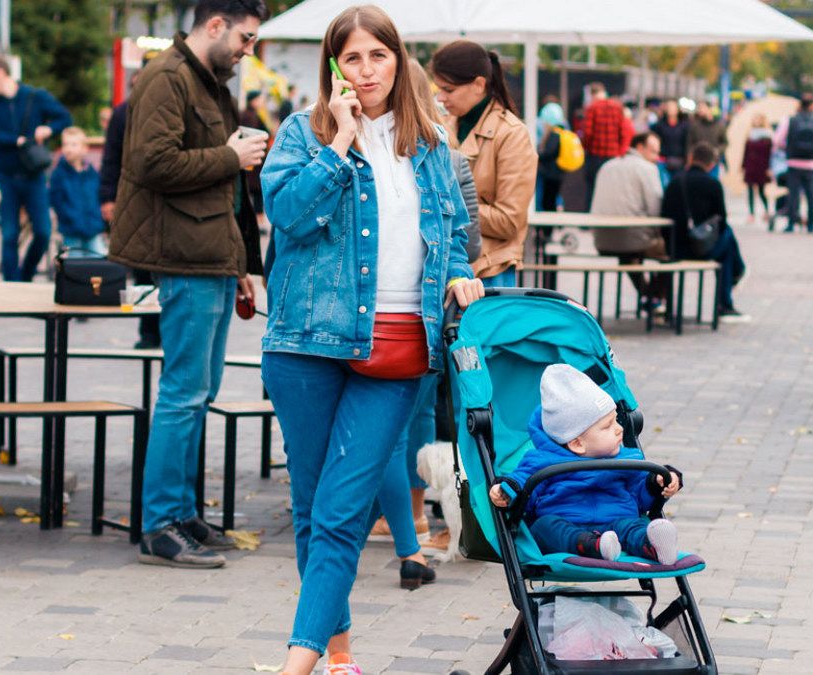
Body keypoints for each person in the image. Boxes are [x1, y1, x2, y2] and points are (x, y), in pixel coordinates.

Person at [259, 5, 483, 671]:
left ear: (398, 59)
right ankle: (338, 655)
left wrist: (463, 276)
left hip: (397, 348)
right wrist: (340, 144)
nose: (365, 71)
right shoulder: (304, 133)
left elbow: (453, 236)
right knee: (312, 506)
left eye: (377, 56)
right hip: (306, 344)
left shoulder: (433, 143)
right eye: (351, 59)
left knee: (341, 506)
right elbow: (288, 217)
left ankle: (294, 665)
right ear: (335, 66)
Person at [110, 0, 269, 568]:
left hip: (210, 255)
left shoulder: (207, 82)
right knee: (183, 395)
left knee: (196, 393)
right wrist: (228, 155)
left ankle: (179, 514)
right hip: (182, 255)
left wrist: (245, 266)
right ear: (216, 25)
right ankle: (160, 524)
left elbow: (231, 195)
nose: (249, 50)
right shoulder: (167, 78)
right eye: (247, 39)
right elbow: (152, 164)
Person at [364, 58, 483, 565]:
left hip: (407, 311)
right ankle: (406, 517)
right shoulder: (444, 154)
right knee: (405, 421)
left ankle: (405, 521)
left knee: (398, 425)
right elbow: (469, 237)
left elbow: (463, 238)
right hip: (414, 311)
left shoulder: (442, 157)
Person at [488, 364, 683, 563]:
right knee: (544, 527)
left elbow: (642, 497)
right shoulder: (542, 461)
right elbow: (522, 484)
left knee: (633, 527)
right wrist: (507, 491)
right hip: (567, 523)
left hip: (617, 521)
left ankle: (653, 545)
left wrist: (657, 482)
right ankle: (595, 546)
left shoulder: (627, 460)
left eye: (616, 420)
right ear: (577, 443)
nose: (619, 429)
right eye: (608, 426)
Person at [432, 39, 537, 288]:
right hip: (449, 268)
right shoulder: (443, 127)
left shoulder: (512, 134)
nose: (441, 98)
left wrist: (448, 204)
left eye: (448, 90)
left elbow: (510, 222)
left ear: (479, 84)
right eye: (439, 89)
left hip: (488, 272)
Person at [0, 55, 72, 281]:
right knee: (9, 234)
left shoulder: (34, 97)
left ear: (0, 73)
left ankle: (25, 276)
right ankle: (11, 284)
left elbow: (64, 117)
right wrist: (16, 141)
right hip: (5, 176)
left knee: (43, 232)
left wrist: (48, 130)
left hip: (33, 175)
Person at [100, 77, 161, 349]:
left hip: (160, 201)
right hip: (132, 201)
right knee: (140, 270)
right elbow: (110, 157)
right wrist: (107, 197)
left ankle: (159, 330)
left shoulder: (163, 110)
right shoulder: (123, 113)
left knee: (161, 271)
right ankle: (147, 330)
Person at [660, 142, 746, 321]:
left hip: (675, 249)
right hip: (703, 249)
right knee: (727, 241)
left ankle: (735, 280)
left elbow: (664, 217)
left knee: (727, 241)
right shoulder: (713, 184)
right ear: (711, 164)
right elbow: (721, 220)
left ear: (690, 159)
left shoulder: (674, 182)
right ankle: (727, 299)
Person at [591, 131, 666, 309]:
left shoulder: (607, 166)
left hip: (602, 240)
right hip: (635, 240)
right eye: (653, 151)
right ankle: (654, 297)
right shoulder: (647, 169)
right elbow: (656, 208)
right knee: (673, 251)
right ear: (639, 148)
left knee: (629, 255)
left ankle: (647, 295)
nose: (656, 157)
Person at [774, 92, 813, 233]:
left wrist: (786, 147)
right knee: (811, 195)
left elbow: (777, 140)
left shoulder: (790, 120)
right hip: (812, 163)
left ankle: (791, 223)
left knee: (793, 194)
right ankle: (811, 225)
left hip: (793, 162)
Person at [49, 127, 106, 256]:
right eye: (65, 144)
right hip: (72, 230)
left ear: (84, 148)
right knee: (75, 266)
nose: (68, 148)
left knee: (97, 263)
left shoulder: (92, 173)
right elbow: (56, 200)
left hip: (93, 228)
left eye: (73, 144)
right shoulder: (58, 174)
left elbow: (98, 196)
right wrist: (68, 217)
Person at [580, 82, 632, 200]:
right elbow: (624, 132)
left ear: (592, 95)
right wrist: (621, 152)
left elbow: (587, 133)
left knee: (592, 189)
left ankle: (591, 216)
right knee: (611, 190)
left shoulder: (591, 108)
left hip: (595, 156)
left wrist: (585, 147)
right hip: (614, 156)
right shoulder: (618, 107)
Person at [239, 90, 271, 231]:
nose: (261, 102)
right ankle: (258, 220)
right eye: (259, 99)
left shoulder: (248, 114)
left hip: (252, 159)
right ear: (253, 100)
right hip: (254, 159)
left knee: (251, 191)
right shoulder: (250, 116)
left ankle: (257, 220)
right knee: (255, 191)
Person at [741, 113, 773, 225]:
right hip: (750, 165)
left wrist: (769, 168)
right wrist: (743, 165)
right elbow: (745, 151)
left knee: (761, 191)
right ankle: (751, 213)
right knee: (750, 190)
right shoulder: (750, 134)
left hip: (761, 166)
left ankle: (766, 211)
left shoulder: (768, 135)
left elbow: (769, 154)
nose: (756, 121)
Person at [535, 98, 567, 211]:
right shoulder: (564, 128)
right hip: (558, 170)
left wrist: (537, 155)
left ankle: (545, 225)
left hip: (548, 171)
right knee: (553, 195)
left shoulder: (553, 134)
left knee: (546, 198)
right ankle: (559, 206)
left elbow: (548, 152)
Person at [651, 98, 688, 187]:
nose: (671, 109)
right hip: (663, 160)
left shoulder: (685, 125)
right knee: (665, 185)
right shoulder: (659, 125)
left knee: (678, 186)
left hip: (680, 160)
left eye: (673, 107)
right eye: (669, 107)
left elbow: (687, 142)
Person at [686, 100, 728, 179]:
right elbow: (689, 144)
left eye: (702, 107)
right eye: (699, 108)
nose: (700, 110)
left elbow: (725, 143)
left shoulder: (719, 126)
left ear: (709, 109)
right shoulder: (695, 126)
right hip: (698, 163)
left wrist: (717, 150)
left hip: (713, 162)